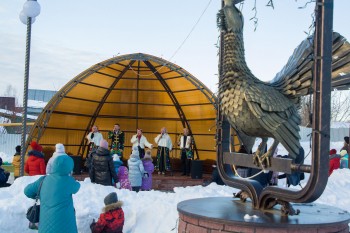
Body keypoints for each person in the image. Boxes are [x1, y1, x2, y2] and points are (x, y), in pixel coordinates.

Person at [24, 155, 80, 233]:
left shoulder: (43, 180)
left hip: (45, 227)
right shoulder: (70, 181)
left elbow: (27, 191)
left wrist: (40, 195)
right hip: (67, 227)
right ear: (70, 167)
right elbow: (77, 187)